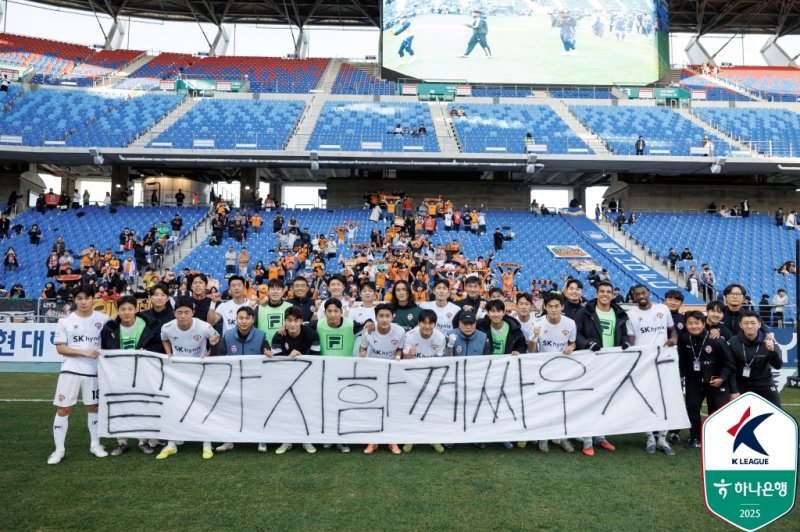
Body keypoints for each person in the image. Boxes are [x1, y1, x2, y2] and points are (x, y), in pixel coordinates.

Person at [47, 285, 110, 464]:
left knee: (93, 408)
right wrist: (84, 352)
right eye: (80, 298)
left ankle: (95, 444)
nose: (83, 302)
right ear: (75, 300)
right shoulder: (65, 321)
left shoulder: (103, 319)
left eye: (87, 298)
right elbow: (60, 348)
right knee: (64, 408)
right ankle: (59, 450)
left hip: (94, 371)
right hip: (70, 370)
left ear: (93, 299)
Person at [156, 297, 221, 460]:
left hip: (200, 370)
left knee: (203, 406)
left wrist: (210, 352)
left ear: (192, 312)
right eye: (179, 313)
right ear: (174, 313)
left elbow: (216, 338)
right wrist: (169, 353)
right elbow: (164, 339)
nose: (183, 316)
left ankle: (206, 443)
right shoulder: (168, 327)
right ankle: (171, 444)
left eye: (186, 312)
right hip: (178, 372)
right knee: (174, 405)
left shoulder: (203, 326)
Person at [100, 295, 160, 456]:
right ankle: (122, 441)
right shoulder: (109, 328)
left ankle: (143, 441)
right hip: (118, 374)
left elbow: (157, 345)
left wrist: (148, 352)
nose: (126, 312)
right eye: (123, 309)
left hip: (143, 372)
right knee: (120, 404)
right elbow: (104, 349)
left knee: (144, 404)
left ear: (136, 309)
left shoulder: (148, 324)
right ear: (117, 310)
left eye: (130, 309)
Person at [573, 280, 625, 456]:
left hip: (611, 364)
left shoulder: (619, 313)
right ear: (596, 293)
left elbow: (624, 333)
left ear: (612, 295)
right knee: (589, 401)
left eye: (608, 292)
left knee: (606, 401)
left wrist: (624, 342)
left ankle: (601, 436)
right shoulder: (585, 312)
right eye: (601, 291)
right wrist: (588, 344)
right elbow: (577, 334)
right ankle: (587, 439)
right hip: (590, 363)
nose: (604, 294)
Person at [626, 284, 678, 456]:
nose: (641, 296)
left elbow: (672, 330)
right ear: (633, 296)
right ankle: (649, 437)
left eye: (643, 292)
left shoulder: (663, 309)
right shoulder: (631, 315)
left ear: (648, 293)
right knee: (646, 399)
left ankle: (662, 438)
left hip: (664, 360)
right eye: (637, 294)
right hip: (644, 363)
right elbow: (631, 339)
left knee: (665, 399)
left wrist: (673, 338)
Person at [678, 311, 736, 448]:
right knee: (692, 407)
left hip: (715, 381)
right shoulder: (685, 338)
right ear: (686, 325)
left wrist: (722, 378)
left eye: (697, 323)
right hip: (694, 381)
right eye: (690, 323)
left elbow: (730, 363)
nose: (694, 326)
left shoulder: (715, 339)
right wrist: (680, 376)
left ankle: (715, 436)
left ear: (704, 324)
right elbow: (682, 360)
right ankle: (695, 437)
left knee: (716, 409)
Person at [271, 306, 321, 455]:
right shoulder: (278, 336)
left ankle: (307, 438)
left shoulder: (312, 334)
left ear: (301, 321)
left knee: (307, 408)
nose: (292, 324)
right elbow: (276, 363)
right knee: (287, 409)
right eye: (289, 321)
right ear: (285, 321)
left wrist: (302, 357)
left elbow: (316, 358)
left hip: (307, 377)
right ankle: (287, 439)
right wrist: (289, 358)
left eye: (295, 321)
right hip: (285, 379)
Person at [401, 309, 449, 453]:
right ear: (419, 323)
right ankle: (411, 438)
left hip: (432, 377)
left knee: (431, 410)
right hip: (413, 377)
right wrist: (409, 354)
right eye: (424, 323)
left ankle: (433, 438)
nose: (427, 326)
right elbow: (404, 362)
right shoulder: (410, 336)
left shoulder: (440, 337)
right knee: (412, 409)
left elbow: (440, 361)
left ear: (435, 324)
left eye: (430, 323)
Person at [359, 303, 405, 455]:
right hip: (374, 373)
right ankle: (373, 441)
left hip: (393, 373)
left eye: (387, 316)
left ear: (392, 317)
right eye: (381, 316)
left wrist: (398, 357)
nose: (384, 319)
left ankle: (393, 441)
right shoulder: (368, 332)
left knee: (392, 407)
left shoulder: (399, 331)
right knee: (374, 406)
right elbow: (363, 348)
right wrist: (361, 355)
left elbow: (399, 348)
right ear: (376, 317)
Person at [728, 311, 782, 406]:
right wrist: (734, 390)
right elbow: (730, 367)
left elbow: (778, 365)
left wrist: (772, 351)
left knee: (776, 413)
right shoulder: (733, 342)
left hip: (764, 383)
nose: (749, 326)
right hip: (742, 384)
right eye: (746, 323)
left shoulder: (768, 340)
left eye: (753, 323)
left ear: (759, 325)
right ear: (740, 325)